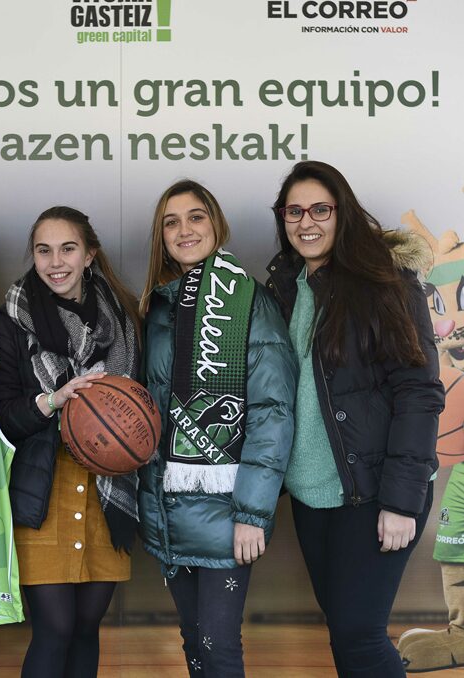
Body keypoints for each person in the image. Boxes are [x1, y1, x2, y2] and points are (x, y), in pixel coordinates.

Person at [265, 160, 445, 678]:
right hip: (312, 495)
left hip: (371, 491)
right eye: (294, 211)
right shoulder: (286, 285)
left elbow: (418, 391)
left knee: (359, 636)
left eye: (320, 209)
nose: (307, 222)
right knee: (345, 634)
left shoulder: (384, 281)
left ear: (343, 212)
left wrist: (400, 501)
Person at [138, 180, 297, 678]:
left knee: (219, 644)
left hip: (228, 513)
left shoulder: (251, 302)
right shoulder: (159, 308)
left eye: (196, 217)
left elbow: (273, 413)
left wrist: (252, 513)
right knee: (195, 643)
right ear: (161, 237)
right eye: (171, 221)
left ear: (217, 224)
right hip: (172, 506)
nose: (184, 230)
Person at [0, 206, 141, 678]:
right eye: (43, 250)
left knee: (84, 628)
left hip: (108, 491)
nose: (56, 261)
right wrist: (53, 401)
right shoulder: (11, 320)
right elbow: (0, 419)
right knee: (54, 629)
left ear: (89, 254)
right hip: (44, 492)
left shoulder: (124, 316)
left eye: (68, 248)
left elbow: (142, 404)